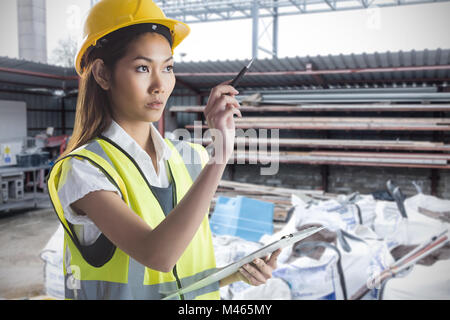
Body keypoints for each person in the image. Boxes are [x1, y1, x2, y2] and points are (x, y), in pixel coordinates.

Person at [47, 0, 280, 300]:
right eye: (143, 67)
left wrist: (237, 272)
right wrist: (221, 152)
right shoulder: (86, 170)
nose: (160, 84)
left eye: (168, 67)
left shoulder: (190, 158)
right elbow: (158, 254)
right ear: (103, 74)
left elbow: (177, 275)